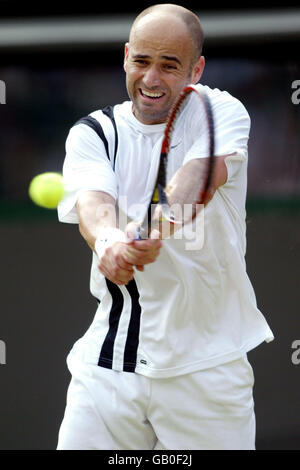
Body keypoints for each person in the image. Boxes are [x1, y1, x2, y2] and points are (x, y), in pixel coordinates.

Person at [56, 4, 274, 450]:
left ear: (197, 69)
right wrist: (110, 242)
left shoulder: (220, 112)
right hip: (109, 365)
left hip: (209, 368)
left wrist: (151, 230)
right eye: (141, 61)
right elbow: (93, 205)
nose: (151, 79)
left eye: (169, 66)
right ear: (125, 57)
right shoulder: (92, 133)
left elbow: (198, 182)